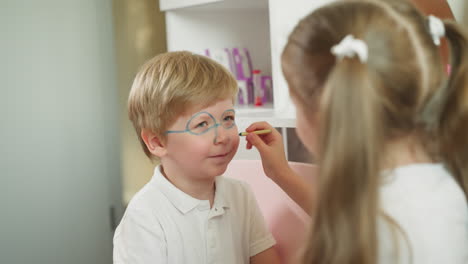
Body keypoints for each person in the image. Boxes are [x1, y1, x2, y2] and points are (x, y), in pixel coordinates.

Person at [244, 0, 468, 263]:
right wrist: (281, 174)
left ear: (329, 111)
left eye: (295, 103)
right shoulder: (438, 180)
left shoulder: (385, 226)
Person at [113, 51, 280, 264]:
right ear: (157, 142)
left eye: (228, 118)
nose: (222, 136)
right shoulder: (144, 217)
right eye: (202, 124)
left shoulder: (240, 194)